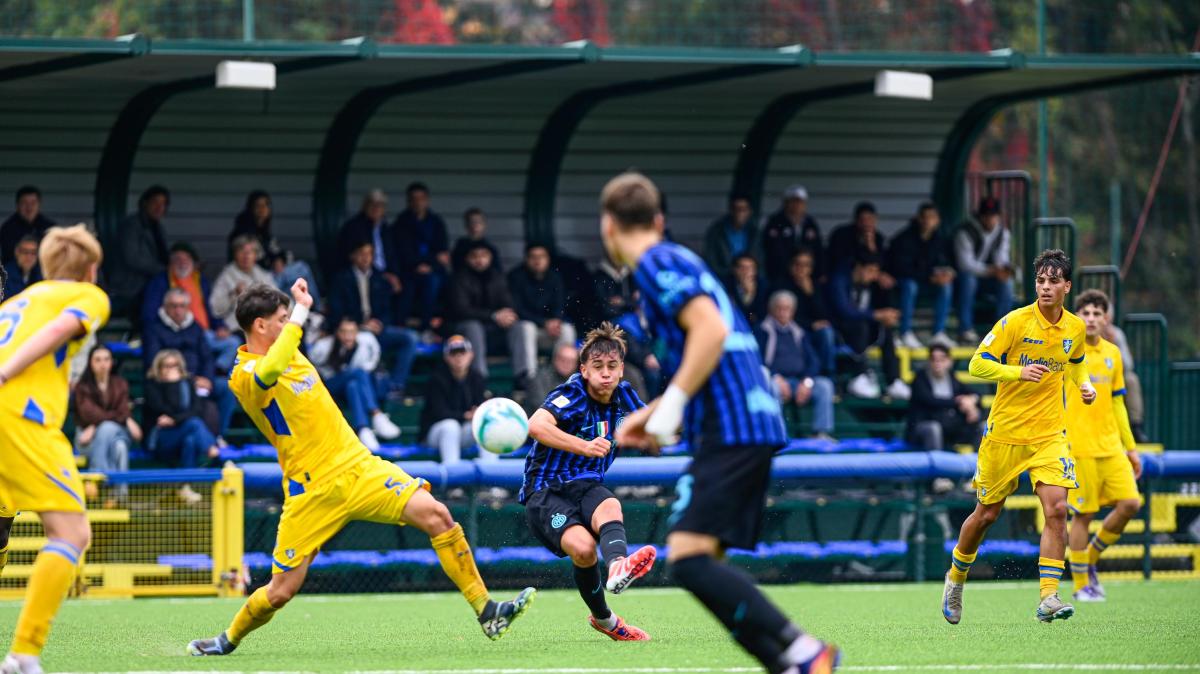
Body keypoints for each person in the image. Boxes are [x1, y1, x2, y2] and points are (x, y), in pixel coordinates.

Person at [187, 282, 534, 656]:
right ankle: (228, 639)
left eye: (288, 317)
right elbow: (268, 371)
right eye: (281, 319)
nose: (289, 324)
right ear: (259, 325)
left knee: (438, 515)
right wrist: (300, 313)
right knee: (281, 591)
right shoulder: (244, 373)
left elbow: (284, 354)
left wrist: (297, 311)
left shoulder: (289, 350)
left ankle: (487, 610)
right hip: (312, 490)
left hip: (358, 467)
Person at [599, 172, 840, 674]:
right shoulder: (679, 259)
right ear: (659, 219)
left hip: (732, 427)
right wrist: (650, 413)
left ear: (608, 227)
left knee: (688, 559)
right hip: (743, 421)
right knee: (698, 559)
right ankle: (792, 662)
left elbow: (710, 328)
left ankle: (803, 653)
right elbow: (710, 349)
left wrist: (671, 407)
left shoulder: (655, 262)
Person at [941, 249, 1094, 626]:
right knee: (987, 514)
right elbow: (977, 364)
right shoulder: (1014, 321)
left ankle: (1048, 597)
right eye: (1040, 280)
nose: (1045, 287)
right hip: (1005, 435)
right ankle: (956, 578)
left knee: (1057, 508)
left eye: (1053, 281)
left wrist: (1085, 385)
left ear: (1066, 286)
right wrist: (1016, 373)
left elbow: (1075, 365)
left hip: (1049, 435)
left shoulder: (1075, 328)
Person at [0, 225, 108, 674]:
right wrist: (5, 374)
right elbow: (64, 328)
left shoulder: (16, 302)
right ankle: (24, 652)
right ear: (90, 267)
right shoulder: (86, 296)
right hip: (20, 417)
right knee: (71, 534)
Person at [521, 322, 655, 641]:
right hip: (546, 491)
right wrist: (584, 445)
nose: (605, 373)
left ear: (622, 369)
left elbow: (656, 433)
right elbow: (536, 425)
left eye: (612, 366)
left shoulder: (625, 396)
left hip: (586, 485)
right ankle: (606, 620)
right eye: (597, 366)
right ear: (584, 370)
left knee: (610, 504)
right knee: (583, 550)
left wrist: (660, 432)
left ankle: (619, 566)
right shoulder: (573, 393)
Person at [1064, 289, 1141, 603]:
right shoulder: (1067, 352)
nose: (1091, 319)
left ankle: (1090, 558)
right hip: (1078, 447)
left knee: (1131, 504)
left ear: (1106, 319)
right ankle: (1082, 585)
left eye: (1097, 313)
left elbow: (1119, 404)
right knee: (1082, 515)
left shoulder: (1113, 353)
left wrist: (1131, 447)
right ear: (1078, 318)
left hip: (1111, 446)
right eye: (1086, 313)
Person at [143, 287, 238, 438]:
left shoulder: (195, 327)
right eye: (174, 306)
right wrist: (188, 380)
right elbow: (153, 361)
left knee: (226, 389)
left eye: (182, 306)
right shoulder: (154, 329)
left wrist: (207, 379)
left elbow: (207, 357)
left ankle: (219, 436)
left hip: (199, 380)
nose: (178, 310)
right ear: (165, 307)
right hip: (170, 384)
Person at [326, 241, 417, 397]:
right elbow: (336, 311)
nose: (366, 258)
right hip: (353, 331)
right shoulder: (342, 278)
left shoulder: (379, 277)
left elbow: (388, 310)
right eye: (362, 254)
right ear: (352, 256)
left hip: (377, 329)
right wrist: (360, 324)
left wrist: (380, 323)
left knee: (410, 338)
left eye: (369, 254)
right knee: (365, 343)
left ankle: (396, 386)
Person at [142, 241, 240, 374]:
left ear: (194, 262)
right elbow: (149, 314)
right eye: (177, 259)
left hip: (206, 333)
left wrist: (219, 327)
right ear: (170, 262)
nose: (182, 263)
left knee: (233, 343)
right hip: (176, 333)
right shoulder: (160, 282)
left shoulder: (201, 281)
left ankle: (216, 371)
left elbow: (211, 310)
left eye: (186, 259)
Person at [309, 317, 402, 451]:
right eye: (344, 332)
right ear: (337, 333)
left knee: (353, 385)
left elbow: (374, 357)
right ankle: (376, 413)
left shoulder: (367, 341)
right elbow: (313, 368)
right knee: (358, 373)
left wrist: (367, 367)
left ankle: (363, 429)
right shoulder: (323, 347)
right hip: (328, 387)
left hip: (352, 387)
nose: (348, 336)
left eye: (352, 332)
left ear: (357, 332)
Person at [755, 291, 835, 439]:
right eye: (779, 308)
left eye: (787, 308)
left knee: (825, 385)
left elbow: (813, 361)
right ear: (771, 309)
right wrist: (776, 377)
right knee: (772, 386)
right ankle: (776, 434)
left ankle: (820, 433)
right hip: (775, 380)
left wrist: (807, 381)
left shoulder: (799, 332)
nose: (783, 312)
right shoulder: (762, 330)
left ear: (793, 311)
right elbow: (757, 360)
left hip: (799, 381)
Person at [828, 253, 906, 400]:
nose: (874, 276)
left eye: (876, 272)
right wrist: (877, 315)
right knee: (862, 325)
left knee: (886, 330)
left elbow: (883, 307)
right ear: (859, 267)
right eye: (871, 271)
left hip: (862, 331)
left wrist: (886, 312)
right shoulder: (839, 281)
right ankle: (859, 376)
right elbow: (845, 311)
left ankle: (893, 381)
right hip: (840, 330)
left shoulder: (873, 285)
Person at [144, 349, 220, 496]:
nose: (171, 369)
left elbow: (197, 409)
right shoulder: (152, 385)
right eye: (166, 366)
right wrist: (172, 385)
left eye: (174, 365)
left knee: (190, 440)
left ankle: (186, 487)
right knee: (193, 424)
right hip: (160, 438)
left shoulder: (188, 383)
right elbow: (162, 408)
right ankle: (214, 453)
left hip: (184, 432)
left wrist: (174, 420)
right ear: (158, 367)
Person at [72, 344, 141, 503]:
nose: (102, 364)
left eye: (106, 359)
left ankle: (98, 476)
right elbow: (89, 413)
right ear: (90, 363)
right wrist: (118, 416)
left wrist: (97, 425)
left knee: (109, 431)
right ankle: (118, 495)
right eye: (98, 360)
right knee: (119, 447)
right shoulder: (82, 387)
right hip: (87, 440)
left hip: (109, 432)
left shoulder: (121, 383)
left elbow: (121, 411)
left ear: (111, 362)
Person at [229, 190, 321, 308]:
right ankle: (316, 308)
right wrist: (273, 261)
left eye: (266, 205)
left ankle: (305, 314)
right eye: (258, 205)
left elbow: (276, 251)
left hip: (270, 275)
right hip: (259, 280)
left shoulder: (264, 231)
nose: (263, 209)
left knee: (292, 284)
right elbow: (254, 261)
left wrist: (278, 259)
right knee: (302, 268)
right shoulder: (244, 232)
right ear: (251, 208)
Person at [446, 241, 523, 380]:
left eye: (483, 256)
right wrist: (493, 316)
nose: (479, 260)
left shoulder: (497, 276)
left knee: (520, 327)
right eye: (475, 256)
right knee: (473, 326)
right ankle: (480, 377)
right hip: (465, 330)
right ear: (467, 259)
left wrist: (507, 314)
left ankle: (523, 377)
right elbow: (461, 310)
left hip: (495, 329)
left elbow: (508, 303)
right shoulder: (459, 278)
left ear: (490, 258)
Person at [887, 202, 956, 349]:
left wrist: (946, 274)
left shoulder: (940, 239)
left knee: (946, 286)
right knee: (910, 286)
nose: (928, 221)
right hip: (904, 283)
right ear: (918, 219)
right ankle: (905, 332)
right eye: (924, 217)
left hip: (927, 283)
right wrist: (929, 277)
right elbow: (901, 268)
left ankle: (938, 333)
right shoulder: (904, 238)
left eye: (932, 217)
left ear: (937, 220)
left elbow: (948, 262)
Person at [418, 335, 495, 465]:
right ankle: (453, 482)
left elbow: (480, 405)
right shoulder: (436, 379)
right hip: (435, 434)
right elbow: (439, 413)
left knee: (484, 425)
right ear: (446, 357)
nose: (458, 357)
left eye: (462, 353)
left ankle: (491, 478)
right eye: (454, 354)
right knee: (450, 426)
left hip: (463, 432)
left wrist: (478, 413)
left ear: (470, 355)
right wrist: (466, 415)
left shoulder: (477, 377)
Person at [507, 243, 577, 384]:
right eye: (533, 257)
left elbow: (560, 304)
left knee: (567, 330)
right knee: (527, 327)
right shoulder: (516, 276)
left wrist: (556, 321)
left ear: (548, 259)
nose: (537, 260)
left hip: (547, 332)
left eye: (542, 256)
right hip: (523, 333)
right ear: (526, 259)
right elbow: (517, 309)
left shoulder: (555, 277)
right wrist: (544, 322)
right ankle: (529, 378)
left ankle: (563, 377)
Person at [391, 182, 449, 330]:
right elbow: (402, 252)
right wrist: (422, 263)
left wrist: (430, 264)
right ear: (408, 201)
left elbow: (443, 254)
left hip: (433, 270)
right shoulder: (401, 222)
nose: (418, 202)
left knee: (434, 282)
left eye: (421, 198)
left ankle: (428, 328)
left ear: (427, 200)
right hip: (408, 270)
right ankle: (401, 327)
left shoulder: (436, 222)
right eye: (414, 199)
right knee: (406, 288)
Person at [953, 196, 1013, 342]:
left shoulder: (1003, 233)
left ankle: (1002, 331)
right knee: (969, 280)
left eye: (994, 215)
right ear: (980, 216)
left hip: (988, 279)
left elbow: (1002, 258)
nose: (990, 219)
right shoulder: (965, 232)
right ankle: (965, 329)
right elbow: (965, 264)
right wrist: (991, 270)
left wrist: (1003, 271)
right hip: (962, 280)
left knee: (1007, 283)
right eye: (987, 215)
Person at [904, 344, 981, 451]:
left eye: (942, 359)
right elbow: (931, 401)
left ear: (949, 361)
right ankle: (936, 464)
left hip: (949, 425)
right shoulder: (920, 378)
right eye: (933, 359)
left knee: (981, 426)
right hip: (924, 425)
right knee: (934, 428)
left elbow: (975, 393)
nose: (937, 363)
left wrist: (971, 402)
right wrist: (959, 401)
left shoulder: (951, 377)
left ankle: (978, 464)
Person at [108, 185, 170, 313]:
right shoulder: (132, 225)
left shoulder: (158, 228)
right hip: (130, 287)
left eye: (163, 204)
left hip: (152, 284)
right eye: (155, 203)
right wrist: (164, 270)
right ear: (145, 203)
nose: (159, 208)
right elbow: (133, 258)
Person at [774, 248, 835, 376]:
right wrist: (810, 325)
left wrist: (810, 293)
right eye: (798, 264)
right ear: (791, 266)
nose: (801, 269)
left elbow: (825, 316)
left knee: (827, 332)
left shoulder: (816, 286)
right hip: (788, 331)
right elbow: (780, 316)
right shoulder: (780, 285)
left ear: (811, 268)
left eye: (806, 265)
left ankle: (828, 376)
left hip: (811, 331)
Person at [212, 235, 275, 332]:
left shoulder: (263, 275)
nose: (246, 255)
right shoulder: (226, 276)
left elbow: (279, 298)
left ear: (255, 255)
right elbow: (215, 308)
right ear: (235, 254)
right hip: (238, 328)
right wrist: (233, 294)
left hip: (264, 326)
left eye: (250, 252)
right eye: (241, 251)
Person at [761, 184, 822, 284]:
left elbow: (818, 249)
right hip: (780, 274)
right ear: (785, 202)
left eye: (800, 202)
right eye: (793, 201)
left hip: (807, 273)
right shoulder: (775, 222)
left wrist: (819, 272)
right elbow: (773, 250)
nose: (797, 205)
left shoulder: (810, 223)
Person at [335, 189, 396, 280]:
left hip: (387, 274)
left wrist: (395, 275)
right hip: (363, 274)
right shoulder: (354, 227)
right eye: (372, 204)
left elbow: (393, 255)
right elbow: (354, 258)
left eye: (380, 205)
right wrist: (381, 275)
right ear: (365, 206)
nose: (376, 208)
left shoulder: (386, 228)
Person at [827, 201, 891, 288]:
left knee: (886, 281)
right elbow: (840, 259)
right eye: (863, 220)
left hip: (871, 274)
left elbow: (881, 262)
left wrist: (871, 246)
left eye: (870, 219)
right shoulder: (842, 234)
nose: (867, 223)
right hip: (844, 271)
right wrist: (859, 268)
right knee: (839, 280)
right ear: (856, 221)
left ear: (875, 220)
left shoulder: (879, 238)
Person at [702, 194, 759, 280]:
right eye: (737, 209)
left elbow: (760, 259)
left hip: (749, 278)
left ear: (750, 211)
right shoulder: (717, 231)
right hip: (723, 278)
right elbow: (711, 260)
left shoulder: (755, 232)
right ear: (730, 210)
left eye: (743, 209)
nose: (740, 213)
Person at [0, 186, 54, 267]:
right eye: (24, 203)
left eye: (33, 203)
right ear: (17, 205)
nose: (29, 207)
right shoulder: (7, 229)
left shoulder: (49, 228)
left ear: (39, 204)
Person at [526, 342, 579, 414]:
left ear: (576, 364)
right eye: (563, 359)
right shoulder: (539, 378)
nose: (566, 364)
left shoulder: (578, 381)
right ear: (555, 359)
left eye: (571, 361)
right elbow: (541, 407)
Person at [451, 207, 502, 272]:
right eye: (472, 222)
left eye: (479, 222)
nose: (476, 225)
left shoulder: (490, 249)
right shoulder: (460, 247)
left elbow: (497, 271)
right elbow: (456, 268)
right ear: (466, 225)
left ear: (484, 225)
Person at [727, 254, 769, 325]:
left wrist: (749, 295)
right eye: (743, 268)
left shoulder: (763, 286)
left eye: (750, 268)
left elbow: (757, 315)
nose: (746, 272)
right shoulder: (727, 285)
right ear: (735, 270)